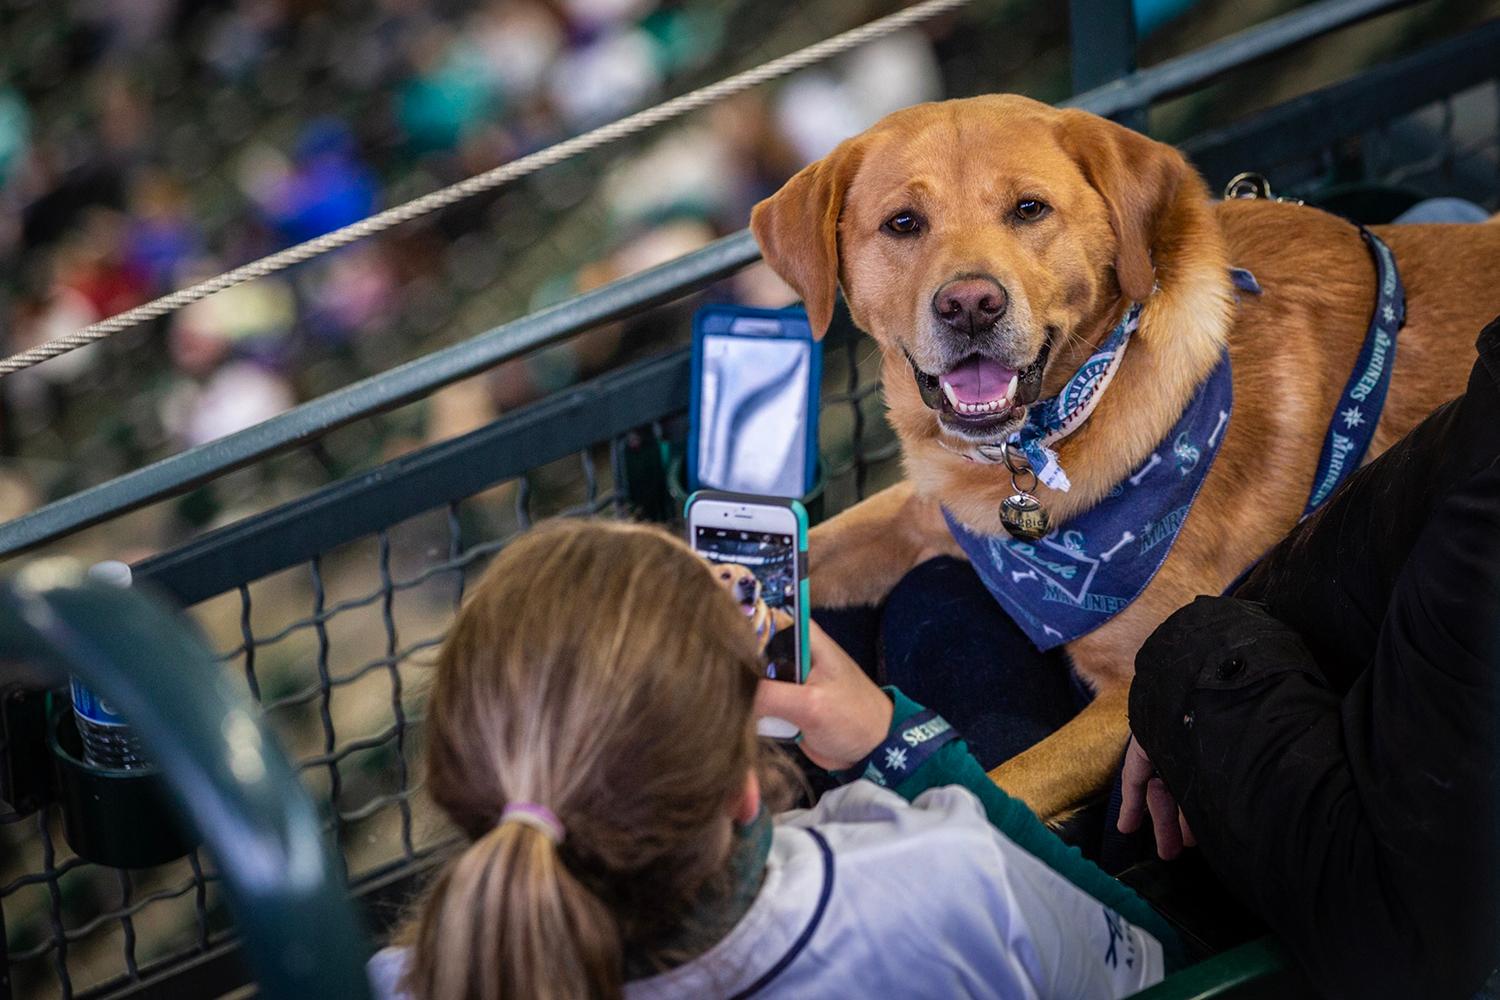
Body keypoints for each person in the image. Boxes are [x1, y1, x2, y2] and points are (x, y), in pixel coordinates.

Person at [368, 519, 1183, 1000]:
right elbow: (1154, 965)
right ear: (742, 794)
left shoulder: (397, 977)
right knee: (937, 602)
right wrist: (894, 745)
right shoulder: (939, 874)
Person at [1120, 316, 1500, 998]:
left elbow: (1405, 947)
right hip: (1304, 680)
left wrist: (1192, 664)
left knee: (936, 607)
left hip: (1280, 876)